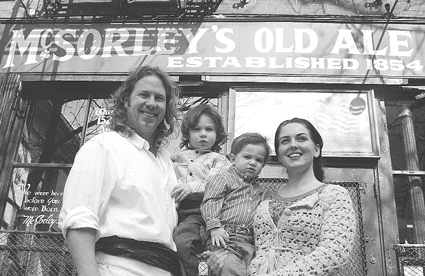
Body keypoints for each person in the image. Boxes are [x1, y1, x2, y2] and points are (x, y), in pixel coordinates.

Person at [58, 65, 181, 276]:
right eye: (144, 94)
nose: (151, 103)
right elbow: (79, 218)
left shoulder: (166, 163)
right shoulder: (103, 147)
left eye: (159, 98)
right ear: (126, 101)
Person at [247, 117, 357, 275]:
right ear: (278, 155)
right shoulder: (264, 198)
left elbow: (334, 254)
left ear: (316, 149)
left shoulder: (333, 195)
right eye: (285, 141)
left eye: (301, 138)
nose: (293, 145)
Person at [171, 104, 232, 276]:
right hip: (178, 210)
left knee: (181, 241)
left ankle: (197, 271)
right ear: (188, 134)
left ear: (217, 134)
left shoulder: (219, 160)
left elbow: (214, 184)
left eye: (209, 129)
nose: (203, 134)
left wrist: (191, 187)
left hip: (201, 210)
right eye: (197, 129)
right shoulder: (180, 156)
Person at [201, 132, 272, 276]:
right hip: (226, 238)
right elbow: (210, 201)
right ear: (233, 159)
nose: (252, 162)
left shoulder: (260, 190)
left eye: (258, 160)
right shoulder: (223, 179)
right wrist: (214, 226)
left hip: (250, 243)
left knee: (252, 270)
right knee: (229, 268)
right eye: (247, 157)